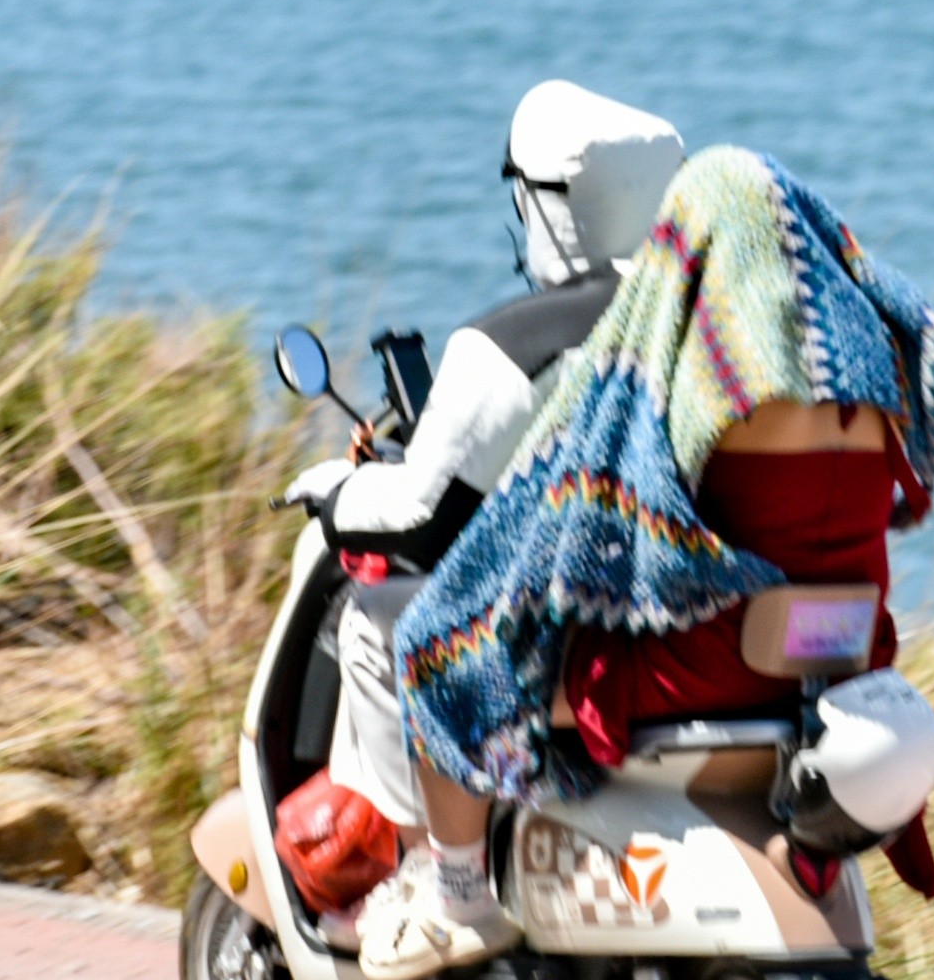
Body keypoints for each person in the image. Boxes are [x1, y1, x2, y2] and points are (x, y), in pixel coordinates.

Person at [366, 144, 934, 980]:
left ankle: (457, 897)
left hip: (713, 666)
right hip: (839, 661)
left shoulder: (724, 375)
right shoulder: (870, 385)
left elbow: (618, 496)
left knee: (439, 646)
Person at [277, 82, 686, 936]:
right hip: (667, 629)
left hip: (553, 638)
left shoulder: (511, 341)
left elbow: (419, 517)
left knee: (372, 619)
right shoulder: (690, 328)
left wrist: (333, 491)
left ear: (550, 204)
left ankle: (427, 875)